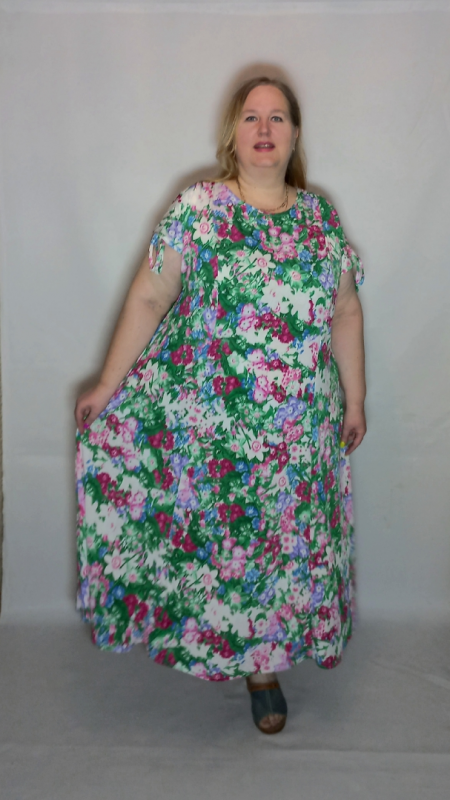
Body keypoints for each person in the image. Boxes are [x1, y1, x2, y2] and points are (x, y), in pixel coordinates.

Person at [75, 75, 366, 735]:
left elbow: (346, 309)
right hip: (216, 431)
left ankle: (264, 667)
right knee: (229, 548)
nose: (265, 129)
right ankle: (224, 649)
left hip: (299, 435)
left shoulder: (319, 218)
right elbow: (150, 297)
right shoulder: (199, 208)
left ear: (294, 134)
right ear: (233, 133)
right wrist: (106, 387)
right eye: (251, 117)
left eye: (278, 118)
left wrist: (356, 398)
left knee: (281, 551)